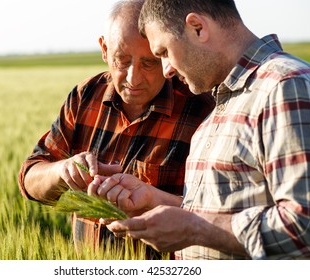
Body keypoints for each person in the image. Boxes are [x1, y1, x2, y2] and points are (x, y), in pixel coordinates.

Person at [90, 0, 310, 259]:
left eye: (164, 52)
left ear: (197, 28)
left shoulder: (286, 87)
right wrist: (154, 200)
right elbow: (225, 213)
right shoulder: (220, 105)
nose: (167, 70)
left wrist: (196, 230)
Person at [17, 0, 214, 259]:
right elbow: (29, 180)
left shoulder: (200, 109)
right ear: (104, 49)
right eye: (122, 60)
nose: (133, 78)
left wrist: (151, 201)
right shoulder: (85, 96)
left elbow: (215, 215)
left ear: (166, 57)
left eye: (149, 63)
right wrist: (62, 171)